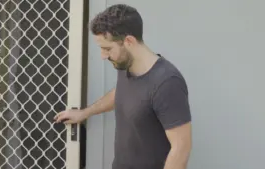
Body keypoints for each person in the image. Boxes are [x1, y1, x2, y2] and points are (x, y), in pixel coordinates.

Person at [54, 3, 192, 169]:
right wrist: (84, 112)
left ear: (128, 41)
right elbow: (122, 93)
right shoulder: (125, 65)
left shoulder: (167, 82)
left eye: (107, 49)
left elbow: (181, 148)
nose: (103, 56)